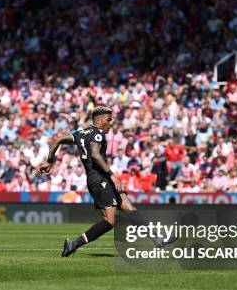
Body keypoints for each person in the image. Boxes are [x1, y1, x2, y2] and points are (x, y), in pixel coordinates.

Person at [38, 106, 157, 257]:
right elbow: (95, 154)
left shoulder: (81, 133)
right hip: (99, 178)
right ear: (98, 120)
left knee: (127, 206)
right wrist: (112, 175)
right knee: (110, 220)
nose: (111, 123)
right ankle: (74, 243)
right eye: (108, 120)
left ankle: (157, 238)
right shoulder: (98, 133)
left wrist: (49, 161)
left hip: (99, 178)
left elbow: (58, 139)